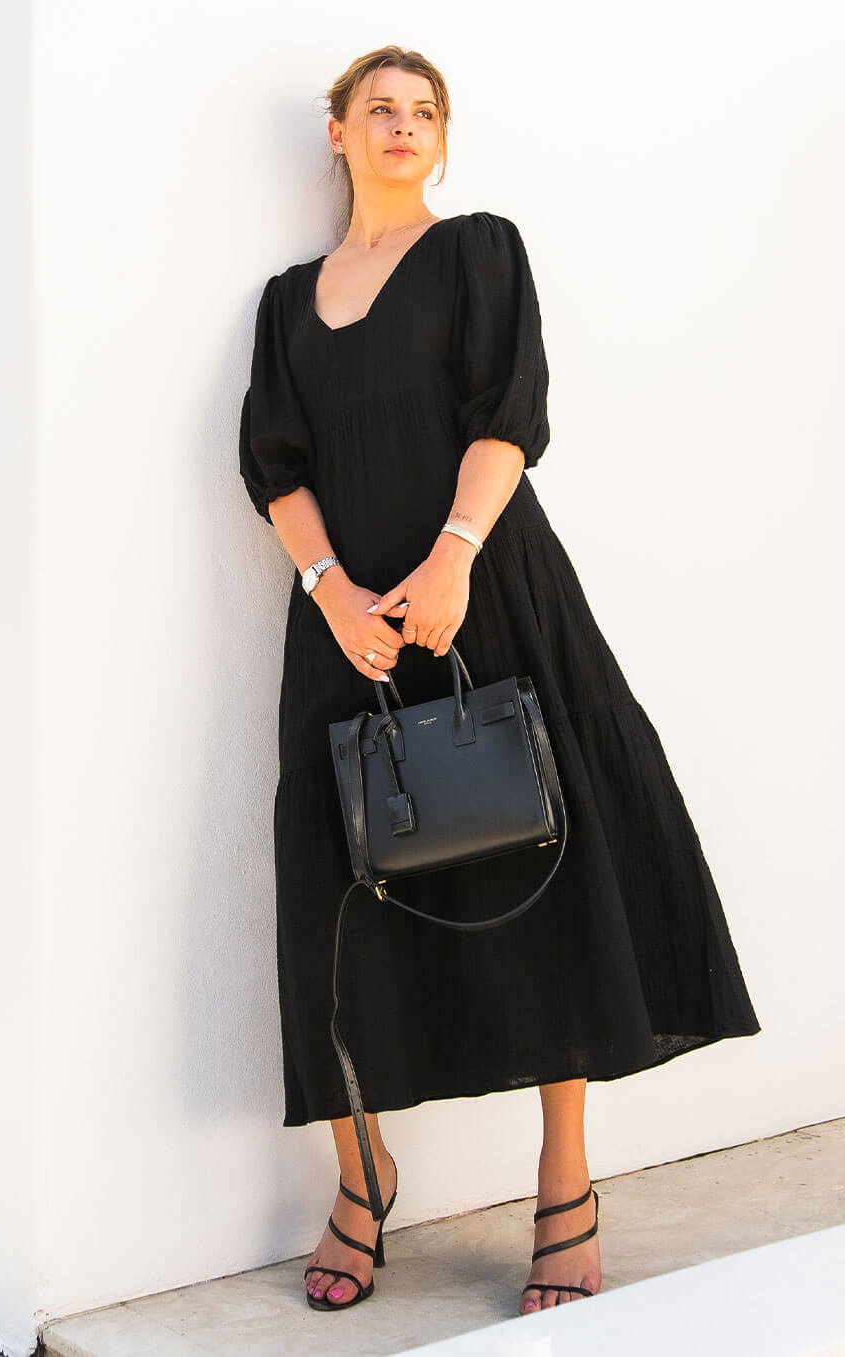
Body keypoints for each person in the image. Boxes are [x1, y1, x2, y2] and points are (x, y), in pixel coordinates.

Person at [237, 46, 761, 1316]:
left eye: (422, 112)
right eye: (379, 109)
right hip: (349, 629)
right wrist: (332, 592)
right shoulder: (287, 299)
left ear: (441, 135)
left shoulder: (479, 250)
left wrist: (453, 556)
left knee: (547, 866)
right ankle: (362, 1175)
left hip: (489, 587)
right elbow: (273, 463)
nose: (402, 126)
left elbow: (507, 413)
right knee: (336, 891)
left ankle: (564, 1182)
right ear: (338, 132)